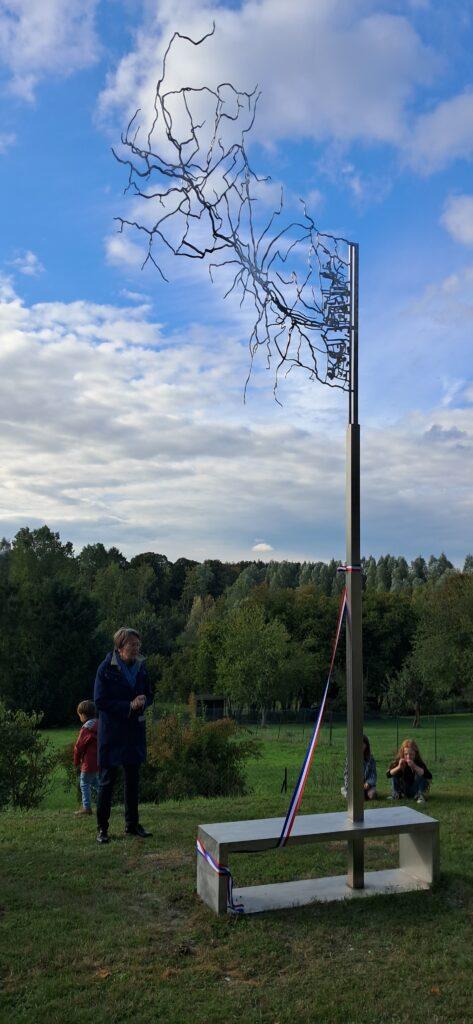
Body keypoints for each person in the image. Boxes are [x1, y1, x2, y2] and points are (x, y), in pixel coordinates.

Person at [94, 627, 153, 844]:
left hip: (134, 732)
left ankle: (132, 825)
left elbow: (150, 694)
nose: (136, 648)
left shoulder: (141, 667)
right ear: (120, 647)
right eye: (132, 645)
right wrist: (128, 705)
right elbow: (100, 701)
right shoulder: (105, 669)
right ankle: (102, 829)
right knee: (107, 781)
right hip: (112, 733)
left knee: (133, 780)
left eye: (138, 644)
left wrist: (144, 701)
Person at [73, 699, 99, 816]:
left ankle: (86, 807)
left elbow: (78, 747)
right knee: (95, 782)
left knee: (84, 783)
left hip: (88, 762)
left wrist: (76, 762)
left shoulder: (86, 729)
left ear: (83, 715)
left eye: (79, 715)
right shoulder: (99, 725)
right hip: (99, 760)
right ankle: (105, 802)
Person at [387, 738, 432, 803]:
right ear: (403, 753)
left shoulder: (419, 762)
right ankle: (396, 794)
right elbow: (388, 774)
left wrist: (414, 766)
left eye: (411, 754)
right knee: (394, 771)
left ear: (415, 753)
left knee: (421, 772)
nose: (408, 757)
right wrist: (399, 767)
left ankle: (421, 796)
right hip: (404, 789)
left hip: (415, 789)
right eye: (406, 754)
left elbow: (429, 776)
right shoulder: (399, 761)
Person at [341, 734, 377, 800]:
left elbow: (373, 774)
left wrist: (368, 783)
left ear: (366, 745)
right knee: (354, 797)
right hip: (354, 785)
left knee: (372, 795)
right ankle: (345, 791)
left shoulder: (370, 759)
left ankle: (365, 793)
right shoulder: (350, 758)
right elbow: (347, 774)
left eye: (362, 744)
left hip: (366, 785)